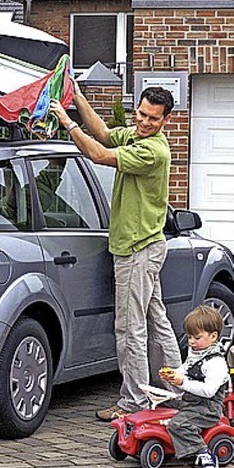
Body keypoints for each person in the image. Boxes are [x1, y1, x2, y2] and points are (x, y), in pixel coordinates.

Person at [50, 85, 182, 421]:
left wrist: (67, 123)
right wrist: (77, 97)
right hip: (144, 247)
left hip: (137, 250)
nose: (143, 121)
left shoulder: (153, 151)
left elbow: (99, 155)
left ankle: (133, 402)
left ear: (166, 120)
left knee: (130, 328)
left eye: (153, 118)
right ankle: (177, 391)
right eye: (141, 113)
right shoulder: (136, 135)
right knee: (157, 321)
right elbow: (106, 134)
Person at [159, 305, 228, 468]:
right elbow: (186, 368)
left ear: (213, 336)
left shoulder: (215, 362)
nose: (191, 341)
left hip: (207, 408)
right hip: (191, 402)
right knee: (162, 403)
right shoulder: (197, 352)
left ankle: (204, 454)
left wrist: (183, 382)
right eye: (189, 337)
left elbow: (209, 391)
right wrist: (174, 374)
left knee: (178, 424)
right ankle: (168, 443)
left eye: (196, 337)